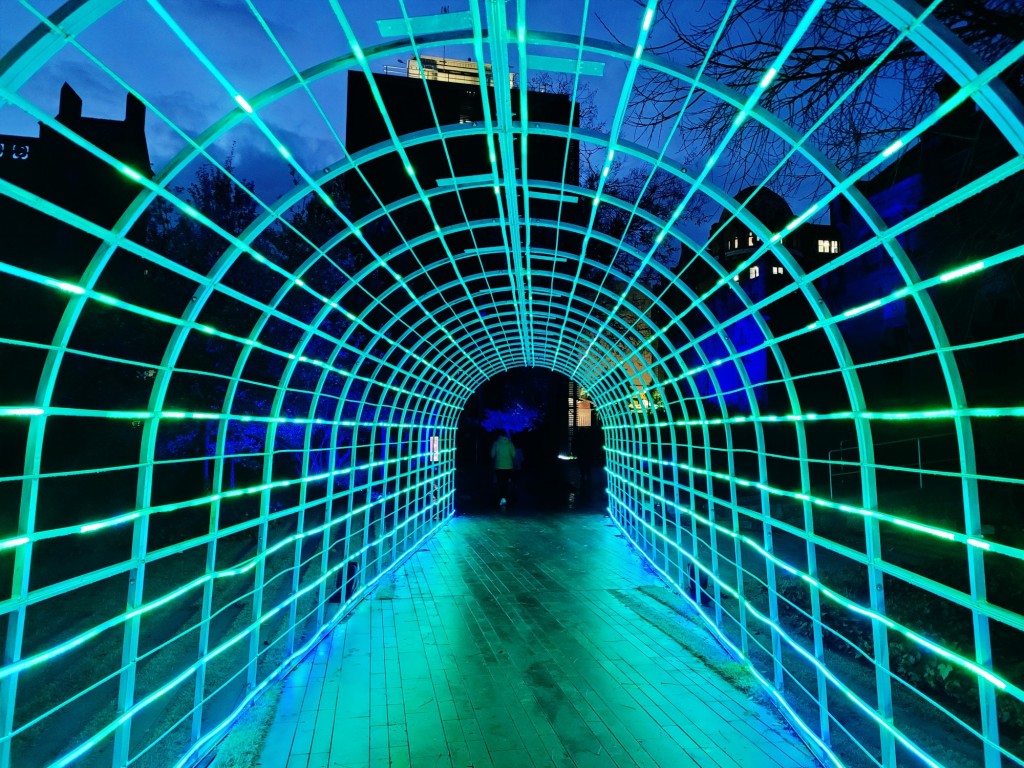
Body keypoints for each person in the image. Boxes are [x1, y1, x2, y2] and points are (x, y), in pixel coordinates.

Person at [490, 432, 517, 507]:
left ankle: (502, 497)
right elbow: (514, 455)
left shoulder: (496, 443)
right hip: (508, 467)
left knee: (500, 482)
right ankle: (505, 497)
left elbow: (492, 455)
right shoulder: (510, 444)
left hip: (499, 466)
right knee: (506, 482)